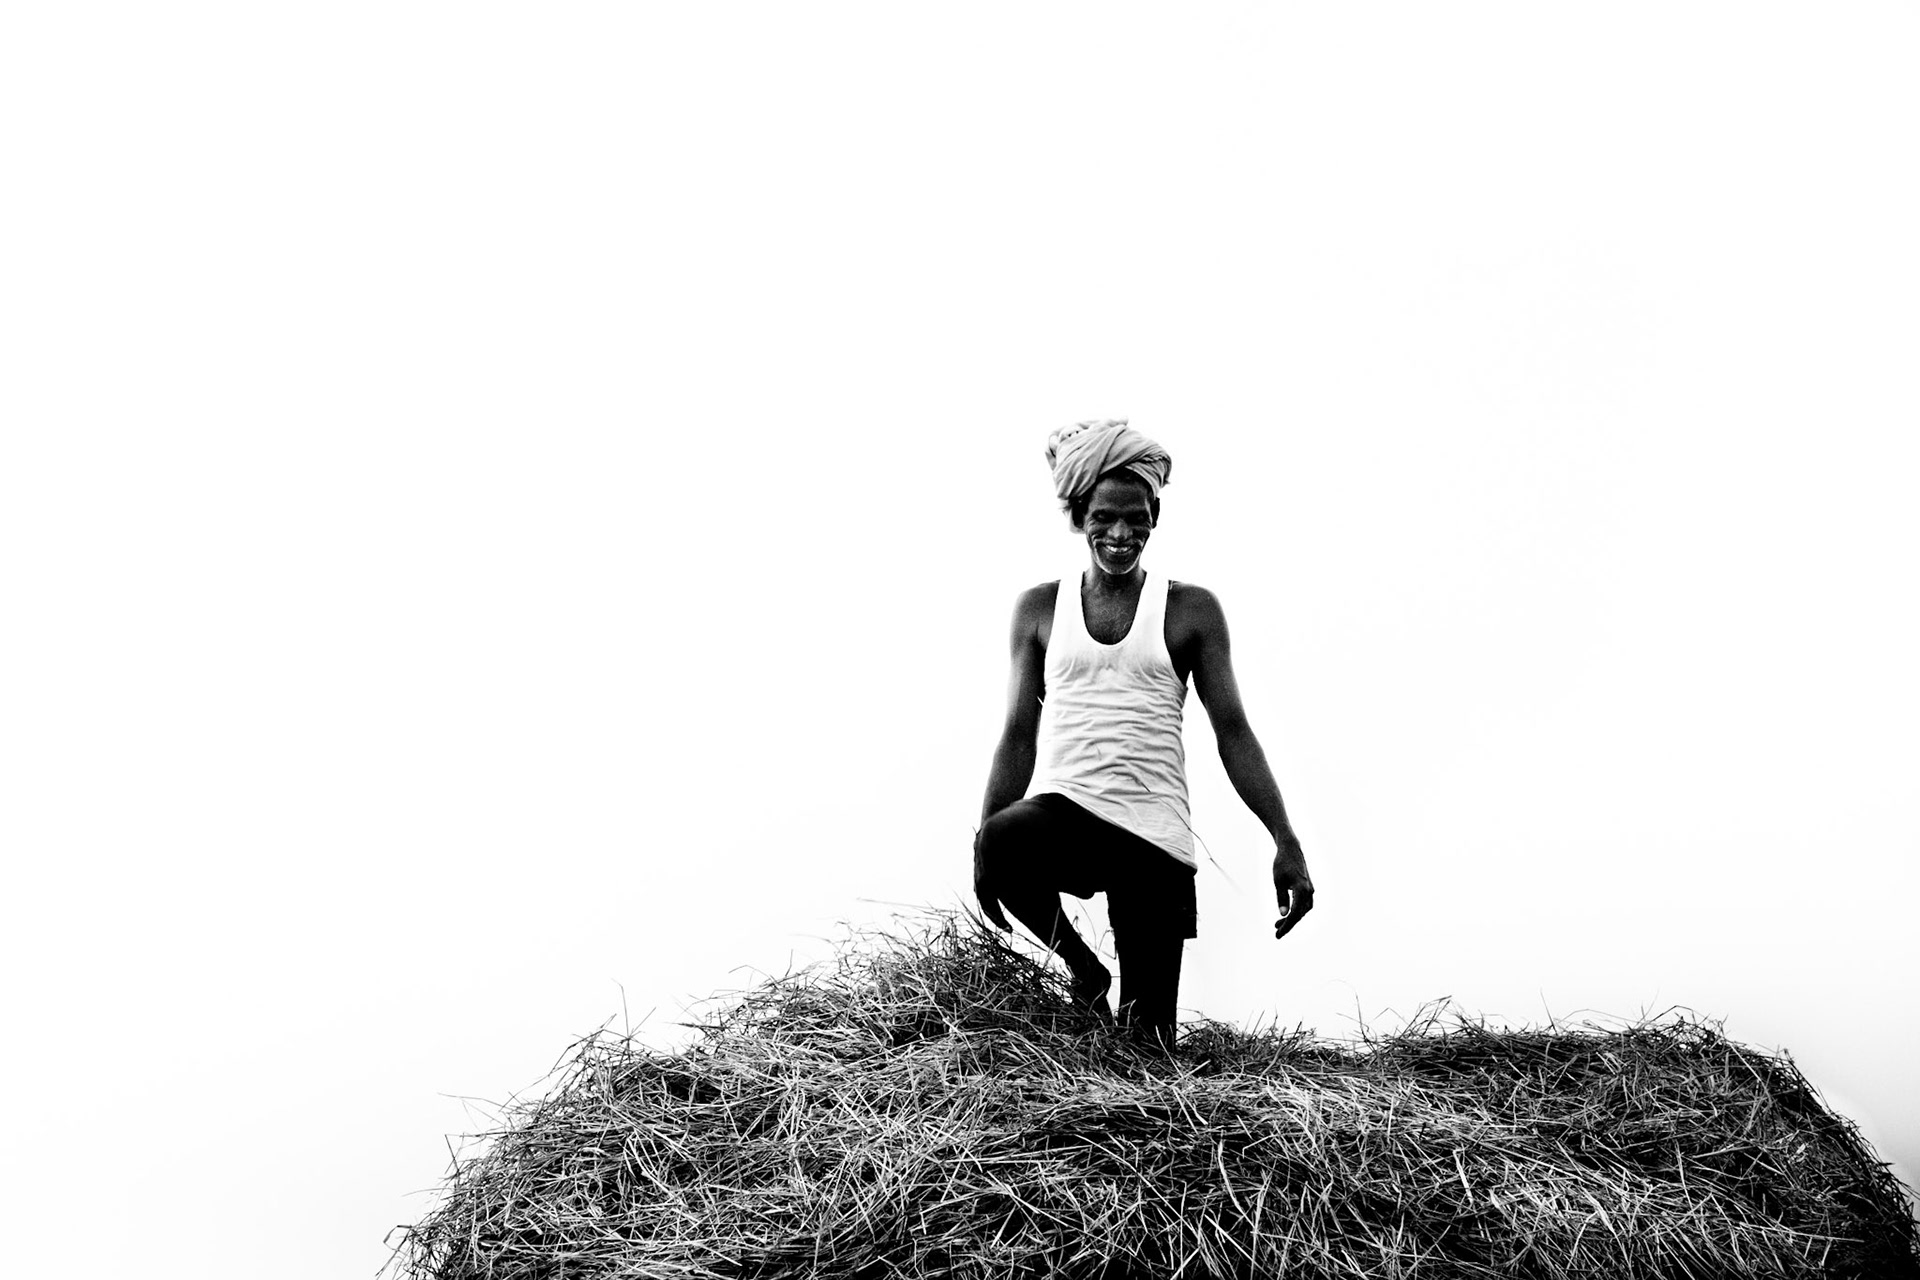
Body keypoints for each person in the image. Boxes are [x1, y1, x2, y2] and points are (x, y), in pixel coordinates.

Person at [972, 418, 1314, 1050]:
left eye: (1137, 518)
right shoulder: (1039, 609)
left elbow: (1233, 732)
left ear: (1155, 516)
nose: (1121, 533)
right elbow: (1019, 734)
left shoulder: (1191, 609)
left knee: (1148, 1047)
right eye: (1104, 517)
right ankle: (1083, 967)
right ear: (1079, 517)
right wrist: (986, 846)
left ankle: (1136, 1034)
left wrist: (1284, 839)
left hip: (1154, 840)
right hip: (1068, 813)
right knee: (1004, 837)